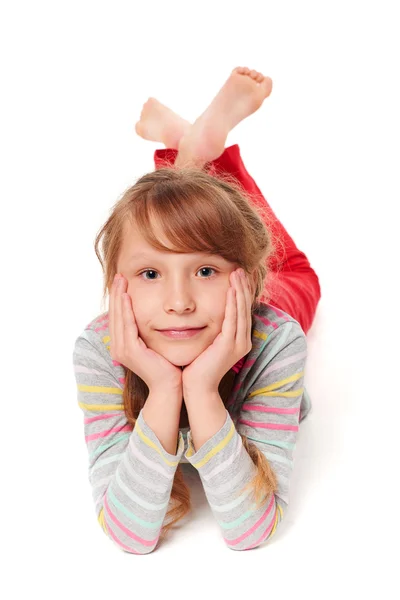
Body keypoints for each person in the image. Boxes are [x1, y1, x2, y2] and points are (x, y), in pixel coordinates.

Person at [72, 66, 321, 555]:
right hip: (219, 312)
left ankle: (192, 153)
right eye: (150, 274)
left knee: (296, 274)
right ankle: (197, 152)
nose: (179, 302)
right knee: (194, 225)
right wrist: (165, 387)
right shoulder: (99, 349)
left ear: (246, 281)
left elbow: (251, 530)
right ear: (116, 285)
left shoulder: (275, 338)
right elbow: (130, 536)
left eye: (205, 271)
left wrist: (203, 391)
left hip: (256, 309)